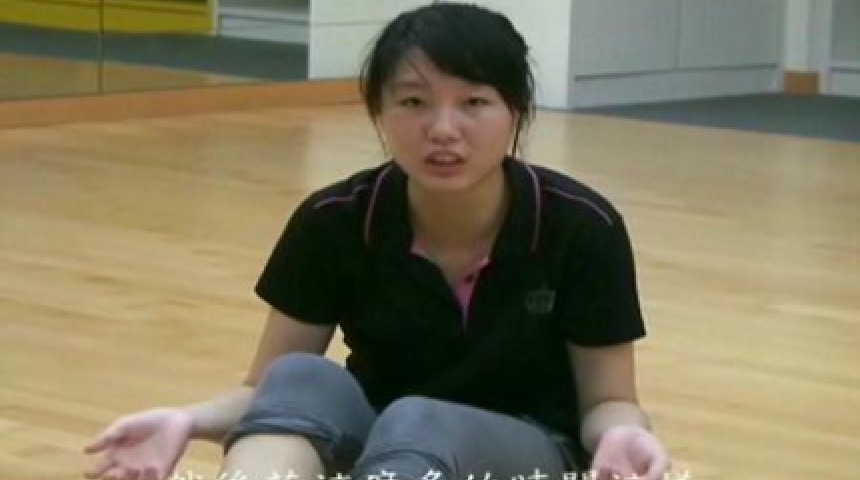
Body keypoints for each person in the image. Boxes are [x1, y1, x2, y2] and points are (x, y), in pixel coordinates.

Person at [84, 4, 671, 480]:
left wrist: (624, 434)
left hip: (530, 447)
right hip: (378, 439)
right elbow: (267, 393)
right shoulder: (335, 220)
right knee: (298, 376)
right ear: (380, 114)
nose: (443, 129)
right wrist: (186, 421)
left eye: (474, 103)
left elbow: (606, 400)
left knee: (417, 422)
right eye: (414, 102)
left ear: (515, 112)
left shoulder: (581, 225)